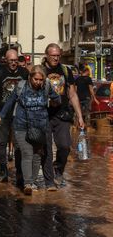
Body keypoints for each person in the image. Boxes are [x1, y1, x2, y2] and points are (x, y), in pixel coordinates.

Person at [0, 65, 61, 194]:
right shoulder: (21, 86)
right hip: (21, 125)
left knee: (37, 156)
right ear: (30, 77)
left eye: (40, 80)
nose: (38, 82)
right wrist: (1, 116)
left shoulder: (47, 86)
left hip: (40, 126)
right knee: (27, 153)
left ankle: (33, 181)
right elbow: (10, 102)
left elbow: (57, 99)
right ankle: (28, 184)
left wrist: (55, 101)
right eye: (35, 79)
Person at [42, 43, 84, 187]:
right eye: (53, 55)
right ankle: (49, 181)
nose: (56, 58)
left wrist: (80, 116)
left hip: (62, 114)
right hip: (44, 115)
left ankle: (58, 169)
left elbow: (72, 94)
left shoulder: (65, 70)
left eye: (58, 55)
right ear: (46, 55)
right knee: (46, 149)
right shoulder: (40, 70)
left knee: (65, 146)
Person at [0, 49, 29, 183]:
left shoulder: (24, 73)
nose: (14, 63)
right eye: (11, 61)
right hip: (1, 114)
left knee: (18, 144)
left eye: (16, 61)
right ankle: (3, 170)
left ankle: (20, 173)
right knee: (1, 143)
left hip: (19, 115)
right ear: (6, 60)